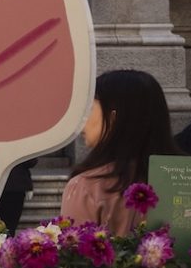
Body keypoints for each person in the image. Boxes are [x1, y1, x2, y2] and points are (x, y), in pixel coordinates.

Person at [59, 68, 178, 236]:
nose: (82, 118)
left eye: (90, 108)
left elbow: (74, 256)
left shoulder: (86, 187)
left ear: (113, 118)